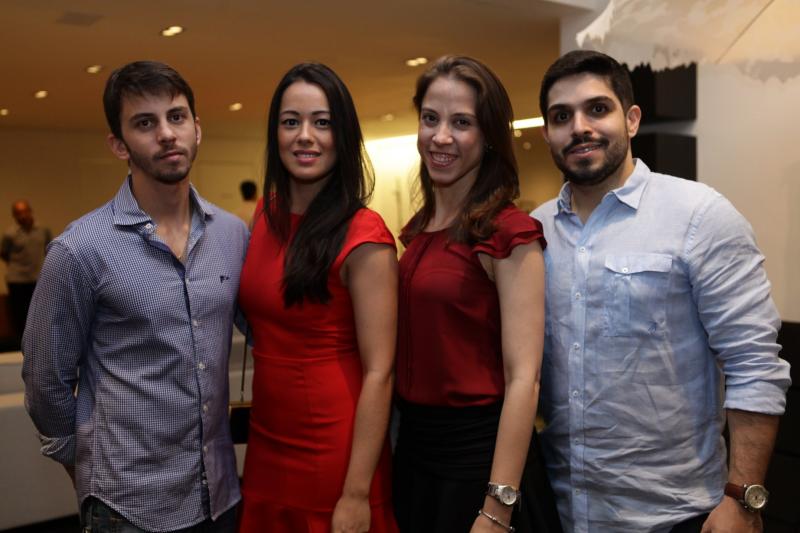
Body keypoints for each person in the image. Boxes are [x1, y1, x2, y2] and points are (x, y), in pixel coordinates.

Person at [532, 50, 791, 533]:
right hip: (560, 509)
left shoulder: (699, 216)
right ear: (547, 133)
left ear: (631, 119)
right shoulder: (534, 233)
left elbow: (754, 364)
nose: (579, 127)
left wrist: (743, 498)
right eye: (561, 116)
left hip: (678, 515)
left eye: (597, 109)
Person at [22, 61, 248, 532]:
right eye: (145, 123)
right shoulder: (80, 249)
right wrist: (86, 472)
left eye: (176, 117)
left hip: (221, 495)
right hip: (128, 508)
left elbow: (271, 329)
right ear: (119, 145)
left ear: (197, 129)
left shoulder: (232, 235)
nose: (166, 134)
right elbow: (45, 380)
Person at [393, 55, 562, 533]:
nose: (440, 136)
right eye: (431, 118)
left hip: (478, 465)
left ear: (488, 136)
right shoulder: (420, 231)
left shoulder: (509, 231)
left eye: (461, 123)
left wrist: (498, 506)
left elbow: (525, 379)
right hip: (415, 458)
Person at [237, 62, 399, 533]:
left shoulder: (365, 236)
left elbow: (380, 372)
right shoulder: (264, 216)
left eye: (322, 122)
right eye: (291, 122)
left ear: (342, 135)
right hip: (266, 442)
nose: (304, 136)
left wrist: (356, 492)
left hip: (335, 450)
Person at [1, 200, 51, 347]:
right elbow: (4, 254)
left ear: (30, 211)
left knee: (39, 312)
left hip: (37, 278)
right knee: (19, 315)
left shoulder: (43, 230)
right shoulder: (9, 234)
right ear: (14, 216)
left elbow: (49, 249)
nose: (22, 216)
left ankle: (40, 343)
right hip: (17, 280)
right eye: (18, 213)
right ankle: (21, 346)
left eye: (24, 212)